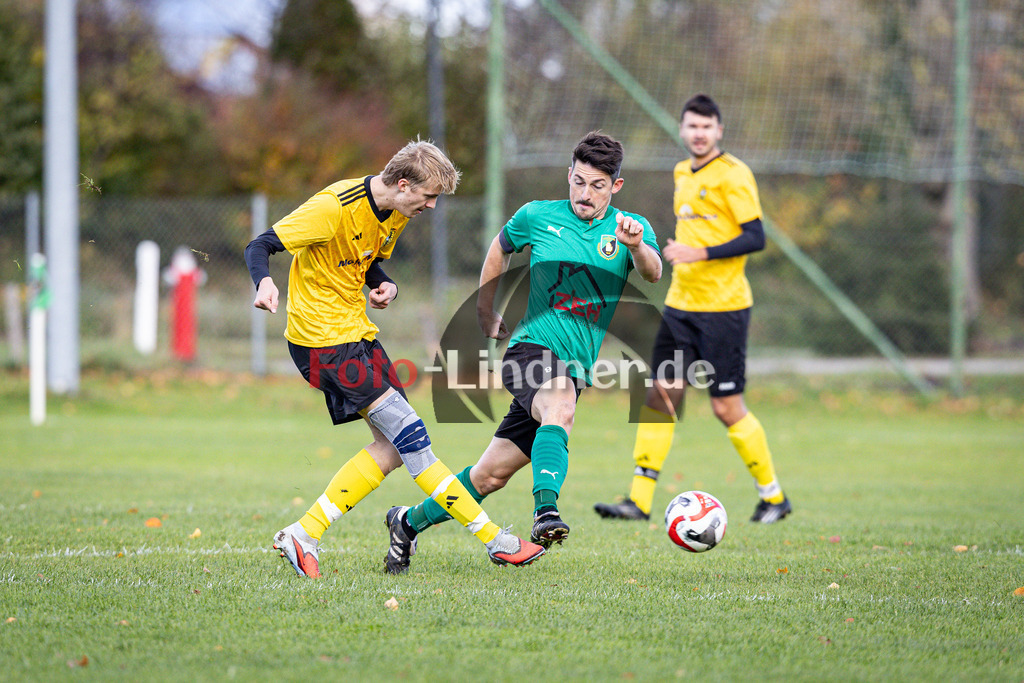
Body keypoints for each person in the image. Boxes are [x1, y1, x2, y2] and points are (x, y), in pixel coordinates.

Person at [244, 140, 546, 578]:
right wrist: (264, 285)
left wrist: (384, 284)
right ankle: (495, 540)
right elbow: (260, 245)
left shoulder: (394, 212)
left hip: (355, 333)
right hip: (321, 341)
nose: (433, 206)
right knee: (411, 435)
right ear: (403, 184)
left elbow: (363, 260)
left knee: (392, 448)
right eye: (428, 197)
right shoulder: (333, 206)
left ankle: (304, 532)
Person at [383, 131, 662, 574]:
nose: (584, 194)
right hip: (529, 351)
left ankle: (406, 523)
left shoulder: (630, 228)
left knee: (489, 475)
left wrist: (636, 247)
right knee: (560, 404)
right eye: (578, 181)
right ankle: (546, 513)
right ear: (568, 175)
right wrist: (484, 309)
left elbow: (653, 271)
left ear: (616, 187)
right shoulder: (537, 215)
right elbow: (501, 246)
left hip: (573, 368)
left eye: (597, 185)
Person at [594, 94, 791, 525]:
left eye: (706, 127)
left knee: (726, 407)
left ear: (718, 130)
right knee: (661, 395)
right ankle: (638, 500)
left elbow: (755, 237)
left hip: (724, 309)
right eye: (691, 126)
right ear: (682, 130)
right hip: (680, 306)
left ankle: (773, 497)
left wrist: (699, 252)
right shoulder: (682, 171)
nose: (698, 134)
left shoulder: (734, 174)